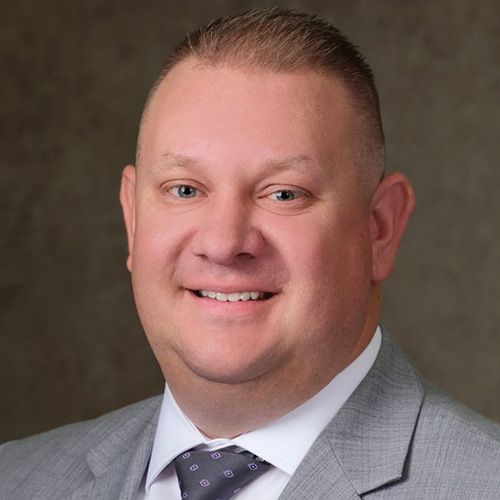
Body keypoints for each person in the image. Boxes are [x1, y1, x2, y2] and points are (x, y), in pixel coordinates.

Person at [1, 7, 499, 500]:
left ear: (380, 229)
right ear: (133, 218)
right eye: (184, 190)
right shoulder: (16, 479)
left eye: (283, 194)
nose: (223, 244)